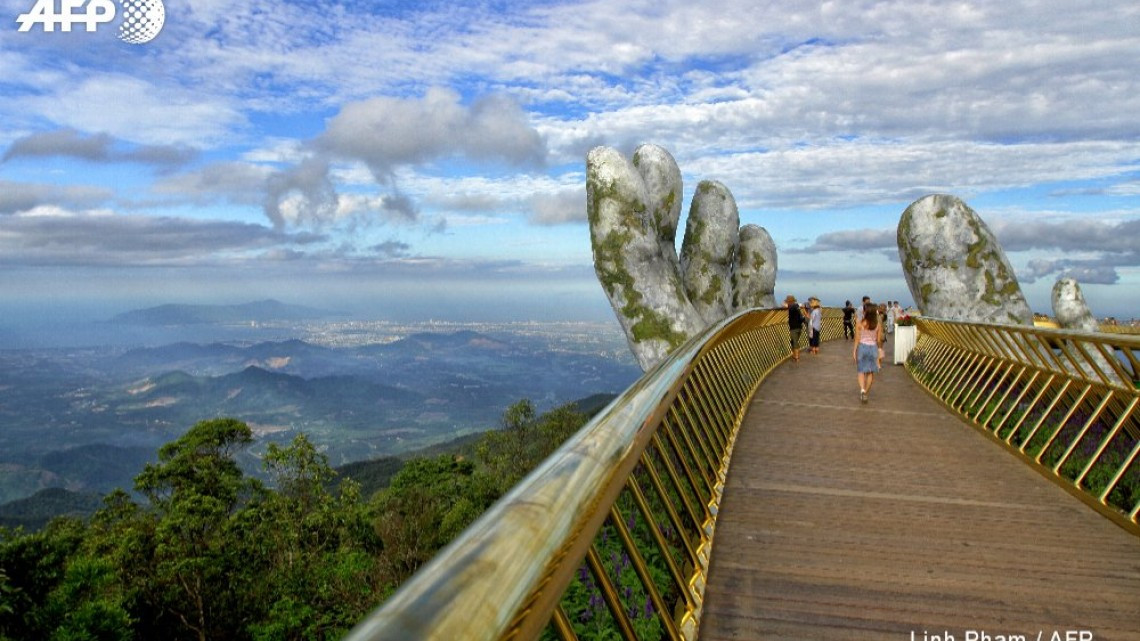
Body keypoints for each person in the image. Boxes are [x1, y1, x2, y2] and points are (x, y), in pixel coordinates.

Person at [854, 302, 882, 404]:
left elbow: (857, 338)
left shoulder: (859, 323)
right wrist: (879, 352)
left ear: (865, 312)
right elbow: (879, 340)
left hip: (862, 347)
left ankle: (862, 389)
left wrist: (854, 351)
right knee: (870, 372)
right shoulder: (878, 325)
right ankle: (865, 392)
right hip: (873, 348)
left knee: (861, 371)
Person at [785, 294, 805, 362]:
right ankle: (795, 355)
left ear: (789, 301)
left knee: (794, 342)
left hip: (794, 327)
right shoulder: (797, 306)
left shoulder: (792, 306)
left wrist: (784, 304)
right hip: (799, 326)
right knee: (793, 341)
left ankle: (796, 357)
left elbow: (787, 306)